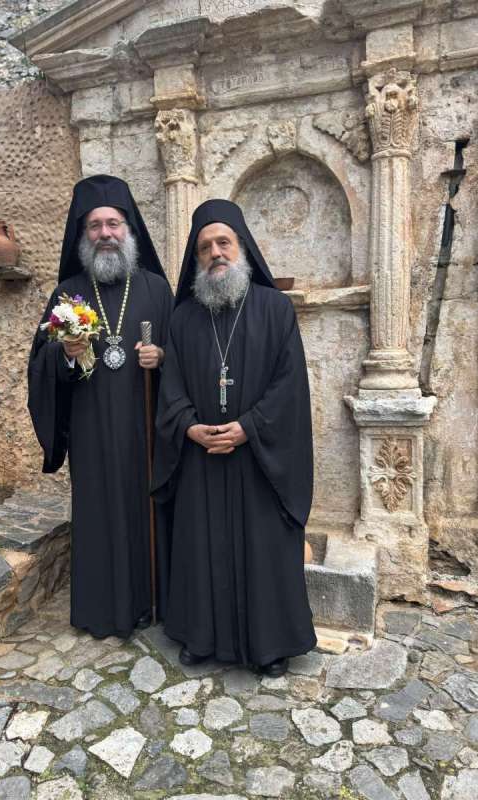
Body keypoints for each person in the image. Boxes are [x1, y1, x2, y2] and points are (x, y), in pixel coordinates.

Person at [152, 199, 316, 676]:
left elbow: (290, 385)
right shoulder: (183, 318)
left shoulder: (275, 308)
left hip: (257, 459)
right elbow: (171, 385)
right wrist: (189, 426)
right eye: (205, 247)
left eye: (223, 242)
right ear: (196, 257)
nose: (215, 253)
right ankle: (200, 637)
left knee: (262, 549)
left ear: (242, 247)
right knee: (201, 546)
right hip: (201, 455)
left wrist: (249, 427)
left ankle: (270, 646)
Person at [28, 174, 173, 639]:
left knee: (145, 509)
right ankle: (102, 609)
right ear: (83, 234)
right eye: (95, 226)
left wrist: (162, 358)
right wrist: (65, 355)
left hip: (145, 430)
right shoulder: (67, 293)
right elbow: (39, 364)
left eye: (113, 224)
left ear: (129, 230)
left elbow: (186, 355)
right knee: (98, 514)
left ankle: (151, 601)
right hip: (91, 431)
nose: (105, 233)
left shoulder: (155, 289)